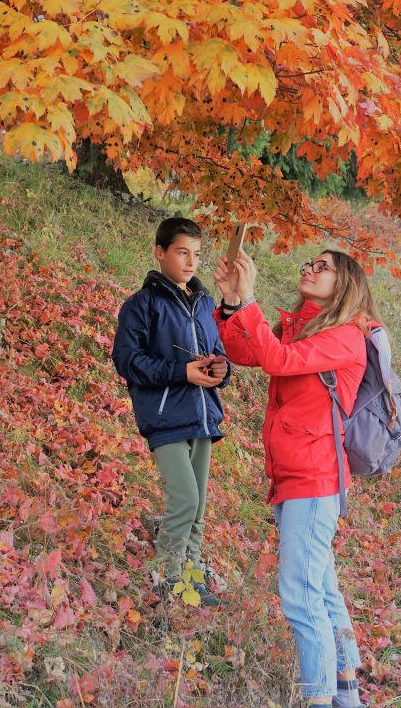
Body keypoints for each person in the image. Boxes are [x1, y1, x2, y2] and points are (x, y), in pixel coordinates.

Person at [213, 248, 372, 708]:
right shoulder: (304, 326)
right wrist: (232, 303)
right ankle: (346, 695)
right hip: (293, 475)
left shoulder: (345, 336)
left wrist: (250, 300)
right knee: (320, 589)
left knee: (301, 598)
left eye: (323, 267)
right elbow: (247, 351)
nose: (309, 268)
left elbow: (278, 360)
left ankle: (320, 699)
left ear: (345, 284)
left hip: (314, 477)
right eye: (309, 262)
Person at [112, 217, 231, 606]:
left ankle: (190, 580)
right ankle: (165, 579)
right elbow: (128, 361)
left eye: (196, 254)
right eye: (182, 252)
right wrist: (182, 372)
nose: (191, 261)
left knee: (199, 508)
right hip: (165, 419)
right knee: (184, 501)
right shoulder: (141, 305)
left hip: (202, 417)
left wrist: (219, 369)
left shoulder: (206, 303)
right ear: (160, 253)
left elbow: (220, 352)